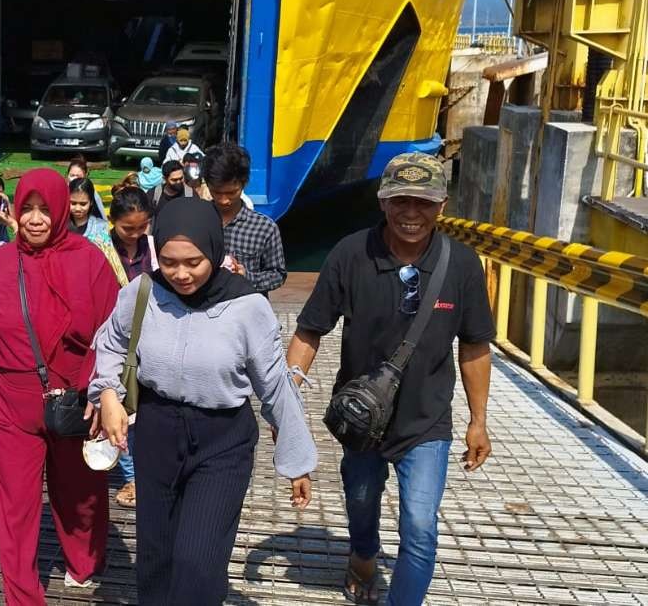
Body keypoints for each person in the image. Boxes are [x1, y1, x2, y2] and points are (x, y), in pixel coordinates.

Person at [285, 153, 495, 606]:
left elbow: (475, 345)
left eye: (424, 202)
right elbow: (310, 329)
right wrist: (286, 395)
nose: (411, 213)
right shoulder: (350, 253)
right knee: (361, 500)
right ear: (382, 202)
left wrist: (479, 420)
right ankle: (363, 553)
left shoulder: (461, 265)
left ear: (442, 206)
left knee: (420, 525)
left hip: (427, 420)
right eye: (400, 200)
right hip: (361, 418)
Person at [90, 197, 317, 605]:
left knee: (198, 562)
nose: (180, 274)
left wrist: (297, 461)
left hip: (222, 440)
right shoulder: (142, 292)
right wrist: (107, 391)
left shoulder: (248, 307)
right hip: (157, 432)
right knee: (155, 558)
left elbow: (274, 384)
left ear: (214, 249)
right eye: (169, 261)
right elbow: (110, 342)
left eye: (193, 262)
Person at [0, 169, 121, 603]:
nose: (35, 219)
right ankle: (22, 593)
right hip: (10, 401)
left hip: (75, 401)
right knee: (16, 503)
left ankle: (82, 559)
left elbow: (113, 335)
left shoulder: (90, 260)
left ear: (62, 209)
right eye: (26, 208)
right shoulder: (0, 261)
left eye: (45, 209)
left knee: (80, 492)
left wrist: (105, 393)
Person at [105, 185, 156, 508]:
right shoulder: (99, 248)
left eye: (142, 227)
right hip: (114, 338)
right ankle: (131, 476)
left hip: (151, 340)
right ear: (112, 221)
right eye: (128, 228)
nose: (135, 235)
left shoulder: (154, 246)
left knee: (146, 411)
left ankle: (145, 471)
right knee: (121, 408)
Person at [204, 143, 287, 294]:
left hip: (246, 308)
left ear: (244, 183)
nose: (224, 200)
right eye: (216, 192)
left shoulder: (265, 228)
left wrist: (246, 277)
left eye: (231, 193)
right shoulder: (198, 220)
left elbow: (278, 275)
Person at [69, 177, 129, 286]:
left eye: (83, 204)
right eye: (73, 203)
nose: (77, 208)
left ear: (91, 202)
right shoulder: (61, 226)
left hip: (94, 282)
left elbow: (112, 263)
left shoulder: (100, 228)